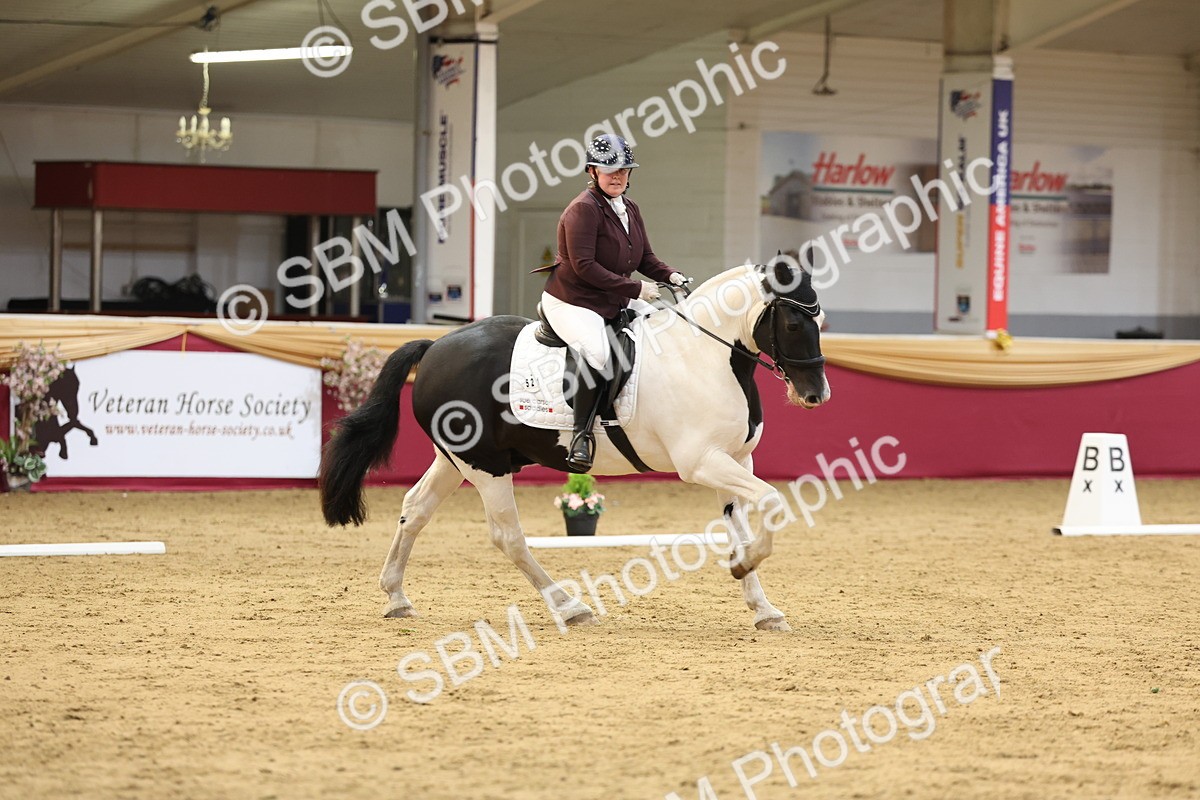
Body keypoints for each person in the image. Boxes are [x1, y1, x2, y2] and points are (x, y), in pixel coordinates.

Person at [541, 134, 689, 470]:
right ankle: (581, 436)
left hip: (612, 298)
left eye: (623, 170)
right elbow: (585, 267)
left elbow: (645, 257)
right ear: (592, 171)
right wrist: (635, 289)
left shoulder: (630, 208)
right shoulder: (582, 210)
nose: (617, 176)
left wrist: (671, 275)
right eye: (610, 170)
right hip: (574, 302)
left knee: (662, 327)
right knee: (598, 352)